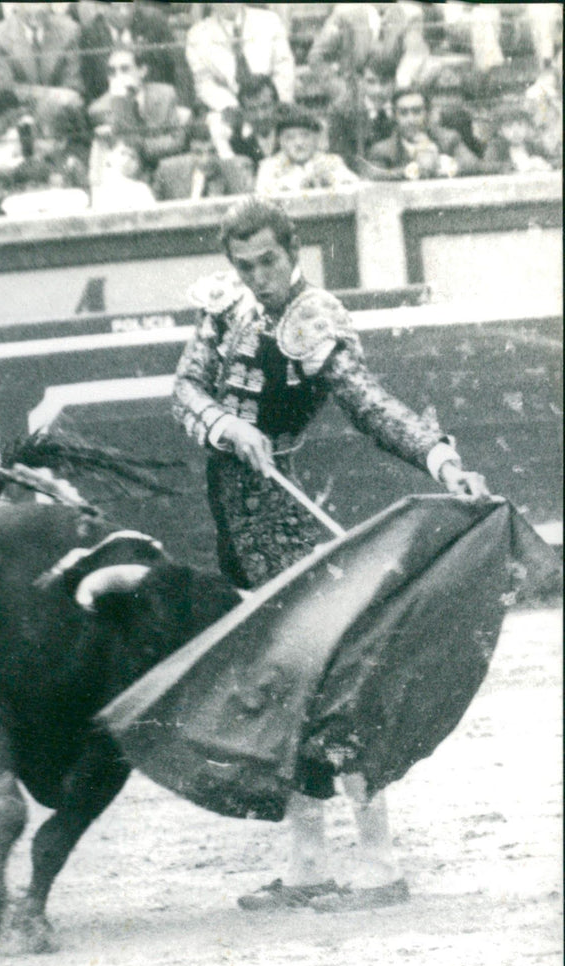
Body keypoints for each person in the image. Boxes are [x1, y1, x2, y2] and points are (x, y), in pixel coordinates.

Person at [171, 197, 489, 911]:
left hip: (282, 514)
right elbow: (185, 387)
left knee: (327, 684)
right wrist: (225, 426)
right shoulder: (224, 306)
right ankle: (310, 861)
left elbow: (370, 404)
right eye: (245, 265)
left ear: (295, 251)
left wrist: (438, 458)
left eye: (270, 262)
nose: (259, 277)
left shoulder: (312, 321)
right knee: (279, 687)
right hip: (236, 517)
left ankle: (377, 861)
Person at [185, 4, 295, 159]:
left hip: (270, 98)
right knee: (219, 130)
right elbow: (203, 81)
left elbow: (283, 65)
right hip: (231, 103)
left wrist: (277, 99)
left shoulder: (268, 20)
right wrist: (231, 105)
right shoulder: (197, 34)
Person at [87, 45, 186, 181]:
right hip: (125, 177)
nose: (118, 76)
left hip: (163, 170)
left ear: (142, 71)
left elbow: (177, 141)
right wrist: (121, 100)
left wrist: (141, 145)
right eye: (112, 72)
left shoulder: (165, 94)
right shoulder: (99, 109)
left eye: (125, 69)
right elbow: (128, 149)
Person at [0, 1, 83, 128]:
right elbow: (4, 88)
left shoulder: (70, 30)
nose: (36, 9)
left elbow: (73, 85)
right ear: (16, 5)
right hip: (16, 116)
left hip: (60, 117)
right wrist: (50, 94)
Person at [363, 86, 482, 180]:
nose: (411, 120)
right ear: (395, 117)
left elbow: (476, 167)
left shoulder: (448, 139)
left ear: (427, 113)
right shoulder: (383, 150)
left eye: (417, 111)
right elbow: (374, 175)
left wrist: (442, 163)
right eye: (404, 113)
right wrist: (414, 170)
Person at [255, 108, 359, 196]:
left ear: (316, 139)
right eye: (290, 138)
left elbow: (353, 184)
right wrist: (299, 183)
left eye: (305, 136)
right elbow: (263, 193)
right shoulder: (269, 166)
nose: (299, 143)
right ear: (281, 142)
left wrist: (330, 179)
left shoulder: (331, 161)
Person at [153, 120, 253, 201]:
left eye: (212, 151)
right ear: (189, 153)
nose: (206, 160)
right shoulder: (167, 172)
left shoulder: (239, 170)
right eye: (198, 153)